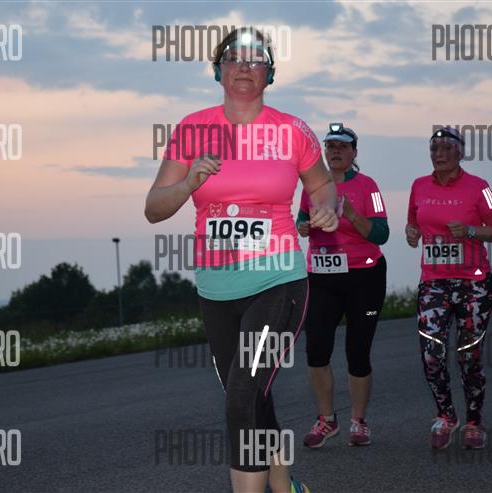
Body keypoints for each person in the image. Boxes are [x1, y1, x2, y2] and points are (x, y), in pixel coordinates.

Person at [145, 27, 338, 493]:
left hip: (278, 279)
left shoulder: (293, 131)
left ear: (269, 73)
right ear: (218, 71)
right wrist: (188, 183)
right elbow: (153, 208)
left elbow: (321, 183)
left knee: (242, 394)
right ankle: (286, 486)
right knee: (253, 395)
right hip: (215, 288)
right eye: (234, 58)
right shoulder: (192, 130)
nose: (245, 66)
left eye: (256, 59)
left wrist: (326, 205)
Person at [405, 126, 492, 450]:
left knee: (468, 355)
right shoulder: (419, 186)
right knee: (431, 354)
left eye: (446, 148)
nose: (439, 154)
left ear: (460, 153)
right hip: (434, 282)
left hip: (473, 283)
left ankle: (474, 421)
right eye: (434, 149)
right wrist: (411, 234)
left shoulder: (480, 187)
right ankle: (446, 416)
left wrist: (471, 231)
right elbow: (413, 223)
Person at [296, 124, 389, 448]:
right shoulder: (311, 185)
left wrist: (351, 213)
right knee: (316, 348)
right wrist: (303, 227)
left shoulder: (368, 186)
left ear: (354, 153)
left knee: (357, 351)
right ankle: (327, 420)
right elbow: (301, 219)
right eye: (331, 146)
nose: (335, 151)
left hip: (364, 278)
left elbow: (381, 234)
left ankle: (358, 422)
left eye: (342, 146)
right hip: (322, 278)